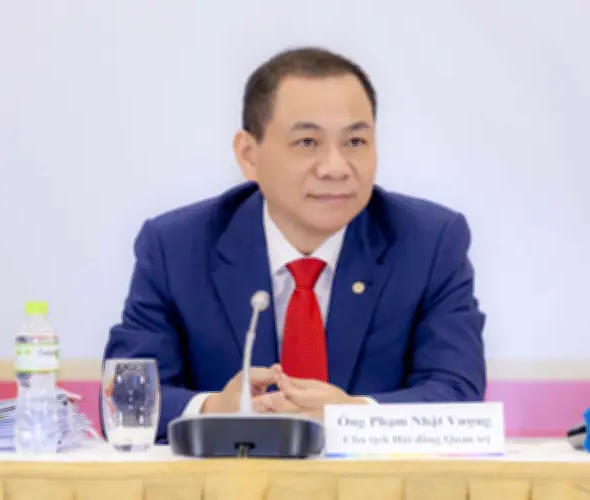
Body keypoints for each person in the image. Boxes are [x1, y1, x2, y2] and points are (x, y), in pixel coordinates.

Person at [103, 47, 487, 441]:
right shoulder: (176, 247)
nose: (336, 168)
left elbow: (458, 395)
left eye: (355, 141)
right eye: (307, 142)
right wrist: (215, 409)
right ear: (249, 155)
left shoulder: (429, 242)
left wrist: (352, 416)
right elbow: (126, 401)